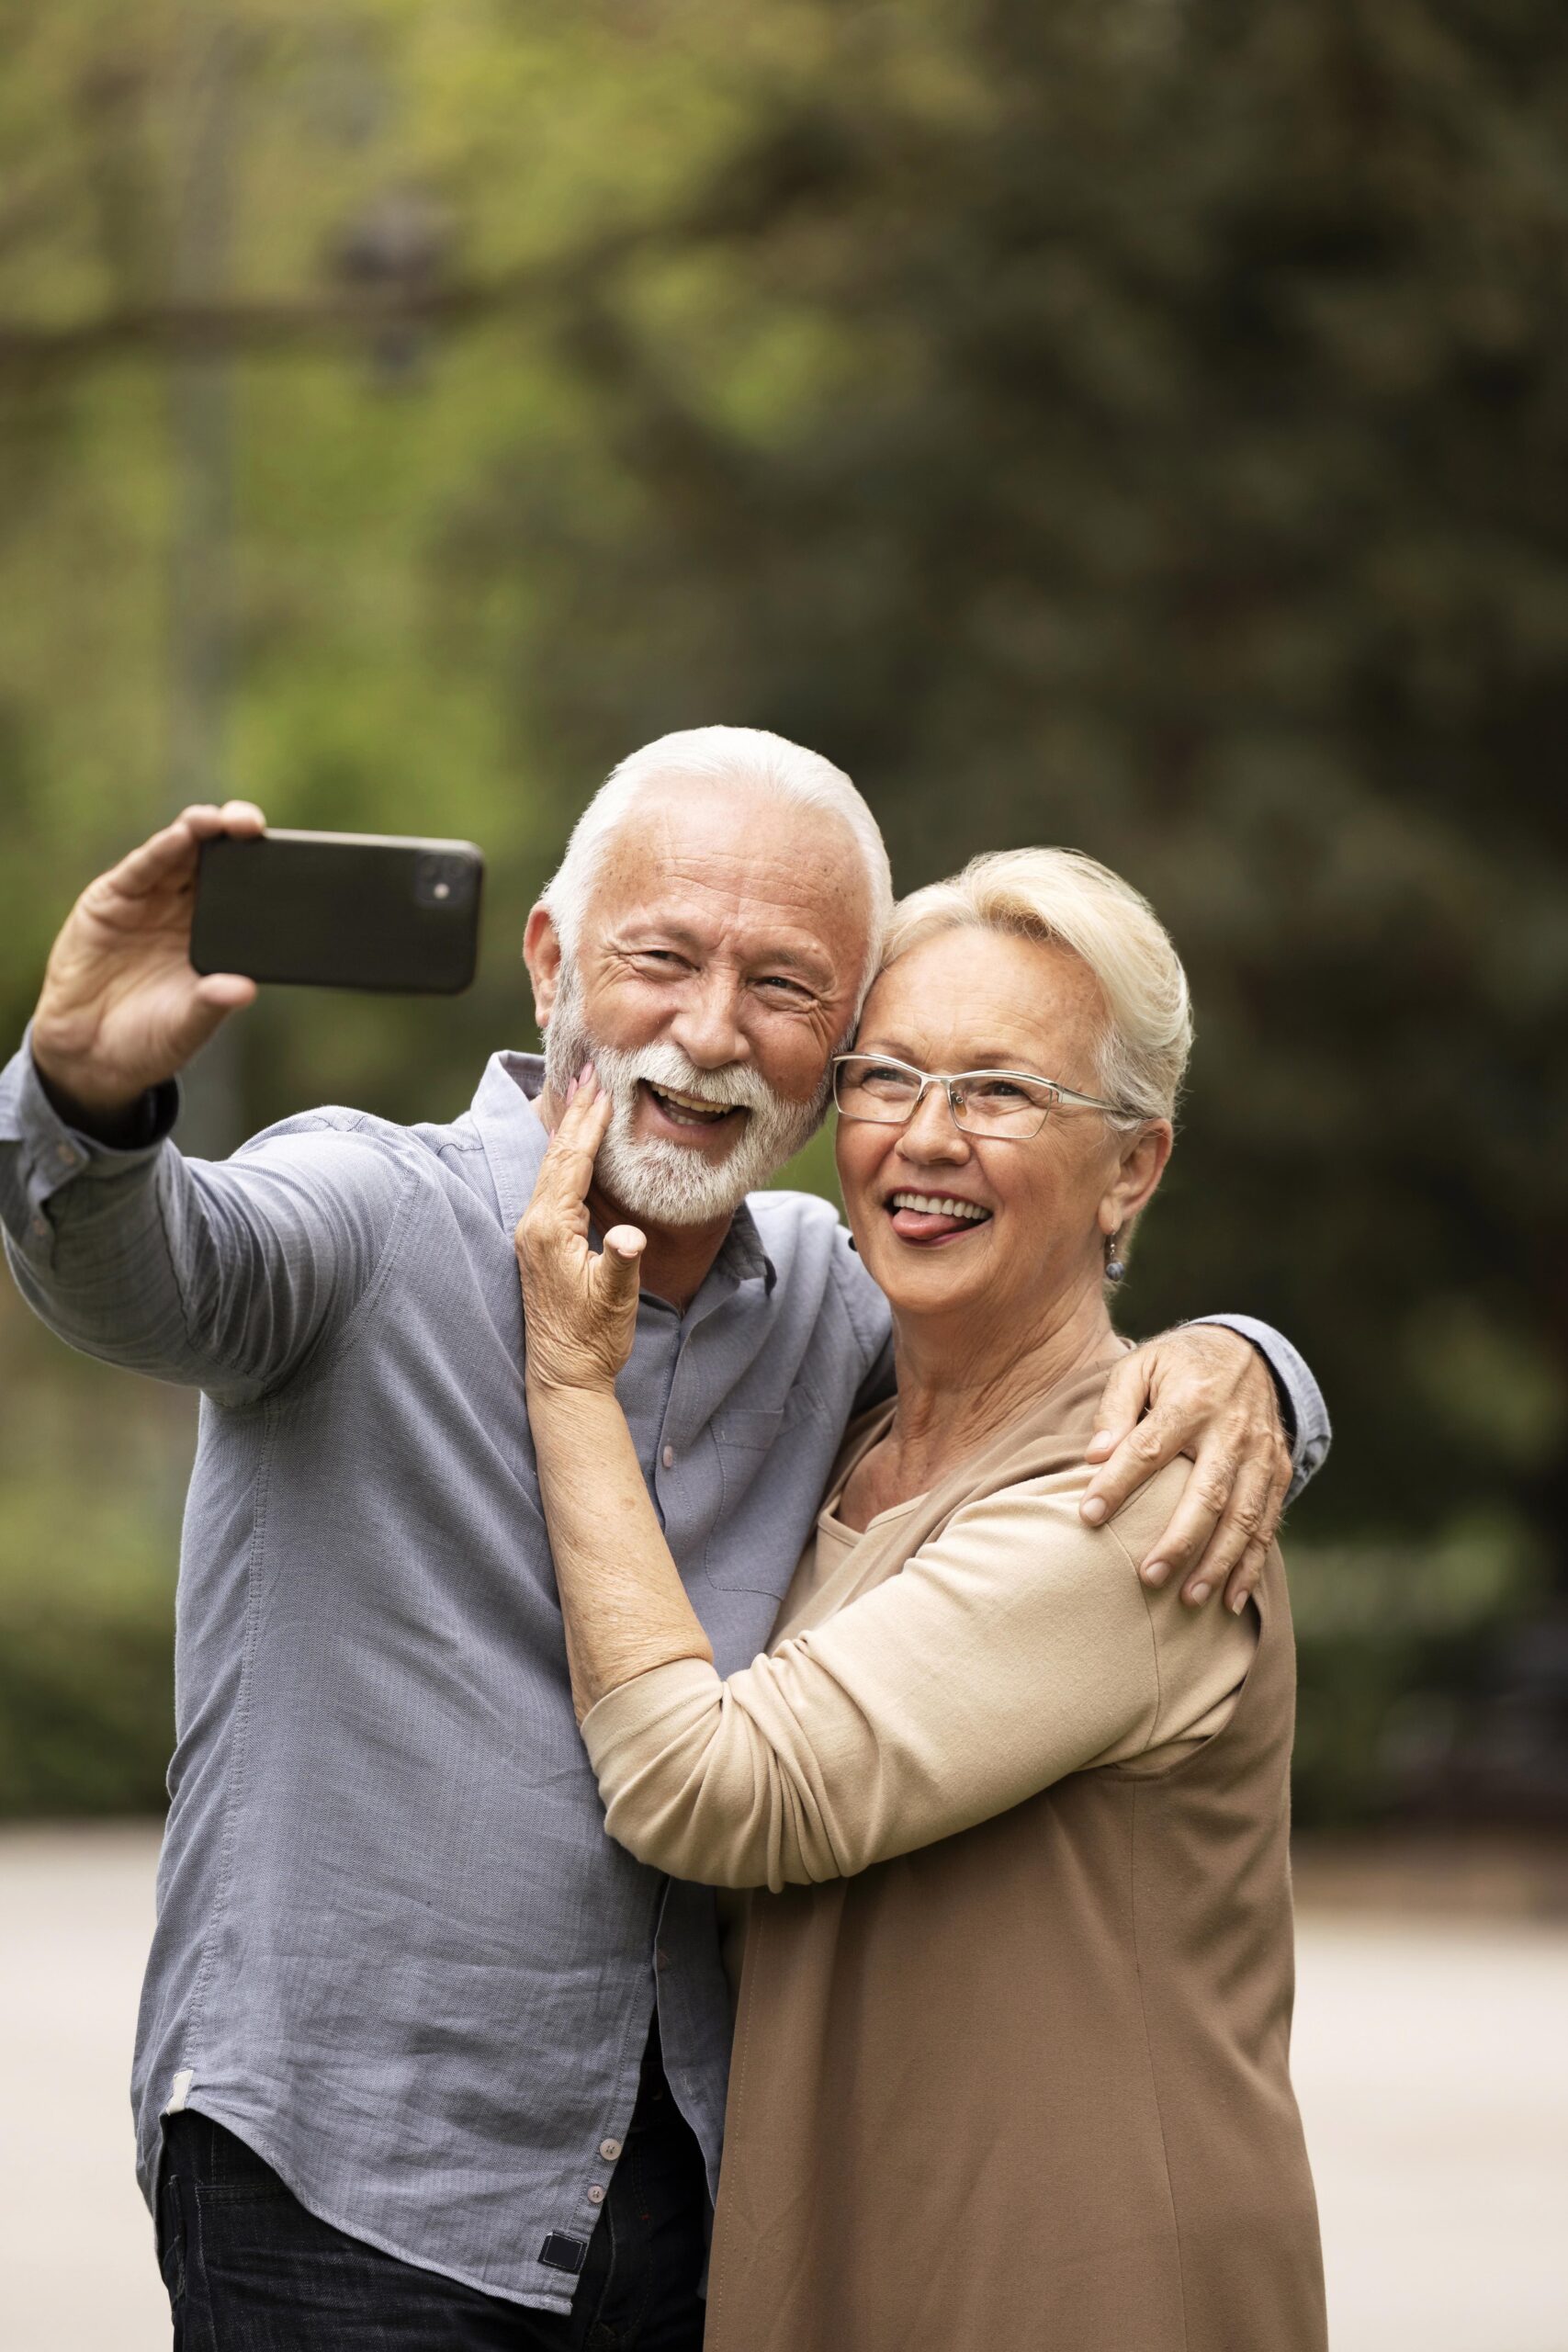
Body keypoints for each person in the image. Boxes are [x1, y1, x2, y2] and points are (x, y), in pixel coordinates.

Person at [0, 729, 1326, 2346]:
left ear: (826, 1036)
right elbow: (145, 1278)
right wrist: (87, 1098)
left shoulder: (840, 1305)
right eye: (663, 959)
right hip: (351, 2199)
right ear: (552, 961)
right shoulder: (364, 1217)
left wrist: (1247, 1360)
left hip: (682, 2208)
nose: (710, 1032)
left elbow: (1041, 1358)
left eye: (783, 986)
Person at [515, 845, 1326, 2350]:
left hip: (1079, 2284)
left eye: (1004, 1093)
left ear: (1134, 1165)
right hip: (845, 2250)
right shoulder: (856, 1439)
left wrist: (570, 1376)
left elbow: (710, 1788)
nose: (926, 1139)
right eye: (886, 1078)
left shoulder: (1134, 1496)